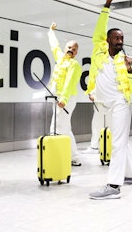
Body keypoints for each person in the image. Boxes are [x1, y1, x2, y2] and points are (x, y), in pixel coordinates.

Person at [87, 0, 132, 199]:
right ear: (108, 39)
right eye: (116, 38)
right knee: (121, 140)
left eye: (122, 38)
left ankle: (113, 186)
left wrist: (129, 71)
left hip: (121, 102)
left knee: (118, 142)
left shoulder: (130, 61)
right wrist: (107, 6)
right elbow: (99, 27)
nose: (120, 41)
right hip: (103, 104)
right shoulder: (98, 52)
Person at [47, 22, 82, 166]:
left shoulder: (74, 65)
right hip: (58, 98)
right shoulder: (60, 58)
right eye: (69, 47)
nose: (71, 50)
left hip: (66, 99)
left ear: (76, 53)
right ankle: (74, 157)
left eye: (74, 49)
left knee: (57, 126)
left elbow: (69, 83)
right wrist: (51, 31)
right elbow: (54, 46)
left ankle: (55, 155)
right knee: (65, 127)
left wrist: (64, 99)